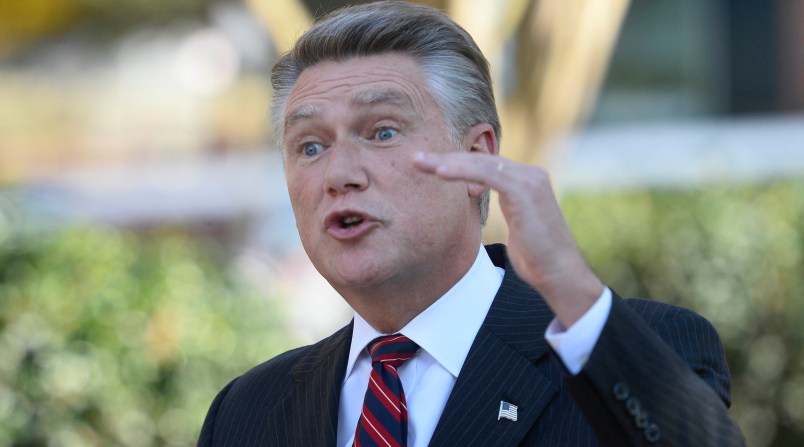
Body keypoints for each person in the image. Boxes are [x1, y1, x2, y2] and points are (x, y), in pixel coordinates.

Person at [198, 2, 744, 446]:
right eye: (310, 145)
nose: (339, 174)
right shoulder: (247, 412)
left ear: (478, 159)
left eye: (382, 132)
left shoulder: (636, 350)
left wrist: (571, 292)